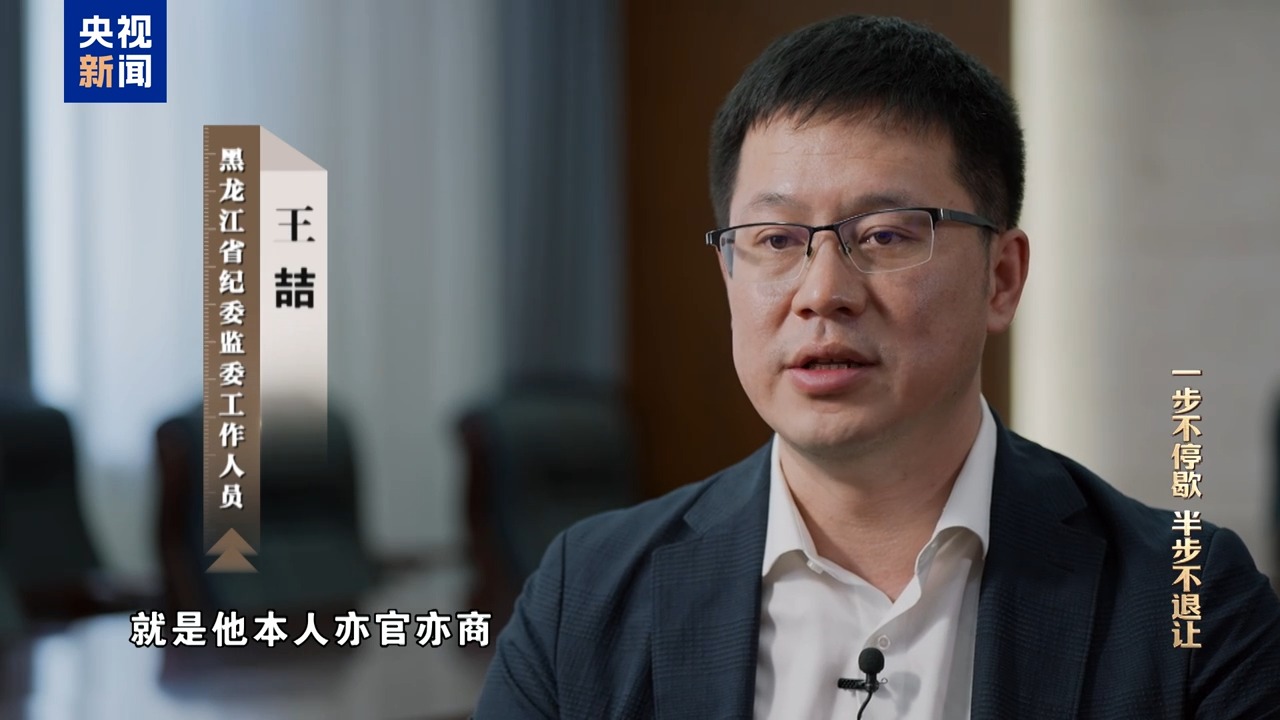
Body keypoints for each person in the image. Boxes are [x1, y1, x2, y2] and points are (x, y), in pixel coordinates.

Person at [472, 14, 1280, 719]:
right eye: (776, 240)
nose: (823, 293)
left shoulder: (1190, 600)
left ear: (1002, 279)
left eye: (887, 235)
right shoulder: (583, 597)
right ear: (729, 276)